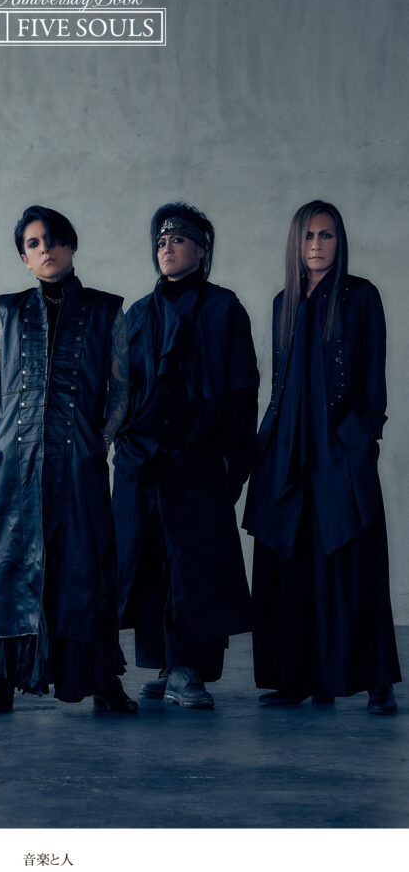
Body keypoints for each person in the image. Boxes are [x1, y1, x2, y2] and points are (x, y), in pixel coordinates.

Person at [0, 205, 136, 715]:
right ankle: (1, 681)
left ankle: (101, 679)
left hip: (79, 460)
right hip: (17, 462)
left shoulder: (106, 310)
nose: (46, 249)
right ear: (24, 257)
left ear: (71, 245)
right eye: (34, 243)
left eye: (54, 239)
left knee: (87, 564)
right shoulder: (9, 310)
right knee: (7, 564)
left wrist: (99, 440)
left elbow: (121, 387)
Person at [243, 200, 401, 714]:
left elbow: (373, 379)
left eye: (326, 235)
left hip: (339, 449)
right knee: (291, 565)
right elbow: (279, 384)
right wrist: (264, 447)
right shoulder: (282, 302)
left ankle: (377, 682)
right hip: (288, 451)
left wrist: (361, 441)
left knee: (355, 564)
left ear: (340, 241)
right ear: (296, 242)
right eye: (309, 235)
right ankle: (299, 679)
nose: (316, 245)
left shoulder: (361, 296)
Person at [112, 203, 258, 709]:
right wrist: (124, 445)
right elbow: (118, 390)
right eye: (160, 241)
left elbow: (242, 388)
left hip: (198, 459)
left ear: (201, 249)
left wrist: (232, 460)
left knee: (195, 565)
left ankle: (188, 668)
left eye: (177, 239)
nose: (166, 248)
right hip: (143, 462)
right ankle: (168, 666)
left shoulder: (224, 308)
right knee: (150, 563)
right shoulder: (137, 314)